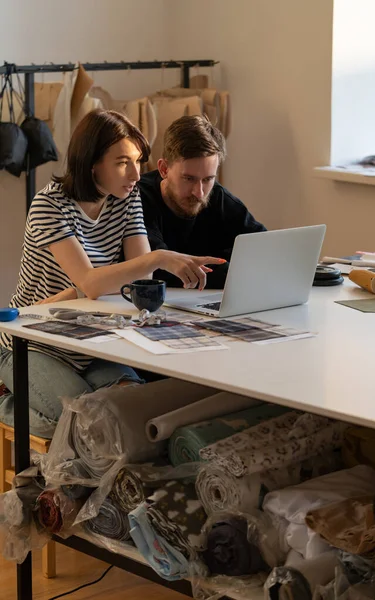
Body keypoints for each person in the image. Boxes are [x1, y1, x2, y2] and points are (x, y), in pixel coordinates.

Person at [0, 109, 224, 438]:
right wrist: (159, 257)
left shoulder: (126, 199)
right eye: (123, 162)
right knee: (86, 424)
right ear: (92, 163)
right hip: (32, 341)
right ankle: (6, 402)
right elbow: (91, 282)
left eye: (137, 161)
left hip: (91, 339)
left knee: (133, 411)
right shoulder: (49, 206)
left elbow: (140, 281)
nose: (136, 173)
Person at [138, 115, 266, 289]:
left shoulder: (218, 196)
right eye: (188, 178)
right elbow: (160, 269)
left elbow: (263, 249)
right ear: (164, 169)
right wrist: (227, 266)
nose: (199, 193)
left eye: (208, 179)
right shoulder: (138, 199)